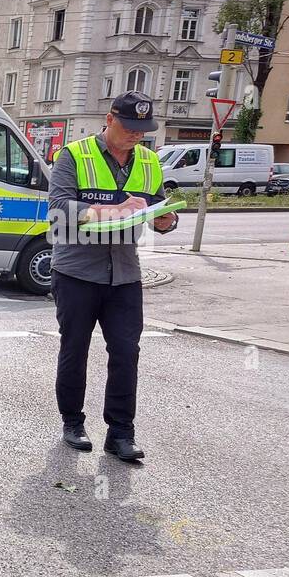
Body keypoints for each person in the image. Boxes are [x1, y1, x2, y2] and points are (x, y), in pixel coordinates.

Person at [49, 91, 178, 463]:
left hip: (124, 274)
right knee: (75, 349)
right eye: (129, 127)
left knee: (126, 352)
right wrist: (109, 210)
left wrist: (165, 220)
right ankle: (72, 422)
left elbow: (157, 206)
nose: (136, 135)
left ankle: (121, 433)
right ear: (110, 119)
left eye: (143, 129)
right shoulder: (74, 155)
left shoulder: (150, 161)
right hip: (77, 270)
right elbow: (59, 209)